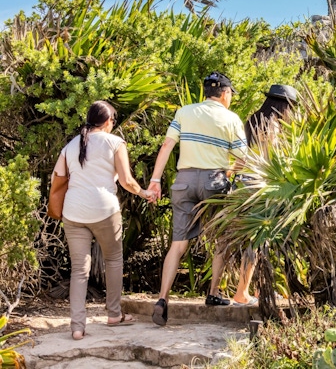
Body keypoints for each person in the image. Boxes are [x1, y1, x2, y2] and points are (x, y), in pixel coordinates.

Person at [146, 72, 252, 326]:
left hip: (183, 181)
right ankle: (213, 293)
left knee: (178, 243)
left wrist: (155, 180)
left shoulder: (185, 111)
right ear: (225, 94)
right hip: (213, 182)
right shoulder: (231, 119)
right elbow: (243, 159)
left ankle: (162, 299)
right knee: (221, 239)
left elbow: (167, 146)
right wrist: (227, 173)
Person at [52, 100, 157, 340]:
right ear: (109, 121)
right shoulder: (115, 142)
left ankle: (77, 327)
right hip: (104, 210)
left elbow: (57, 177)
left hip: (73, 212)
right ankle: (113, 314)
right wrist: (144, 193)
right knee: (113, 259)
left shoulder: (71, 145)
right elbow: (127, 181)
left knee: (79, 270)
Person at [228, 83, 300, 307]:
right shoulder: (272, 127)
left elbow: (243, 157)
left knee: (255, 241)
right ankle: (242, 292)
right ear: (284, 107)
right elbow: (272, 159)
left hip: (244, 184)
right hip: (260, 187)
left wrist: (231, 174)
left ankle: (255, 289)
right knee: (257, 241)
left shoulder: (252, 120)